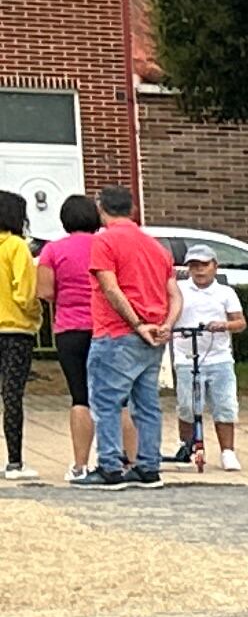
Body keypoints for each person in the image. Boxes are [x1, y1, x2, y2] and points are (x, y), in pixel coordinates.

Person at [75, 186, 172, 488]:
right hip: (153, 333)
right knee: (147, 403)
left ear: (101, 208)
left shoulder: (104, 241)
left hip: (116, 332)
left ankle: (110, 466)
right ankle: (148, 465)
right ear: (132, 209)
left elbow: (110, 287)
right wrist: (165, 323)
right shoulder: (155, 245)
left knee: (106, 401)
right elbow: (173, 292)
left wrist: (135, 322)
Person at [166, 255, 244, 469]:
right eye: (194, 266)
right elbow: (168, 312)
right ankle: (187, 446)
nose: (199, 271)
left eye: (204, 265)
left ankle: (228, 451)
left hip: (218, 356)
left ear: (215, 267)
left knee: (225, 405)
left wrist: (223, 325)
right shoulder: (179, 289)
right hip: (186, 355)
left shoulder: (225, 292)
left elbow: (240, 322)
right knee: (187, 406)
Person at [41, 196, 99, 480]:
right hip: (105, 326)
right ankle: (127, 460)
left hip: (70, 328)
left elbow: (45, 292)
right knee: (117, 398)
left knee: (81, 396)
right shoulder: (105, 246)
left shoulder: (53, 250)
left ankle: (80, 464)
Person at [0, 195, 34, 480]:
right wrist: (36, 317)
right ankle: (14, 461)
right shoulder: (16, 246)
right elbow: (24, 292)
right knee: (12, 396)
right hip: (15, 330)